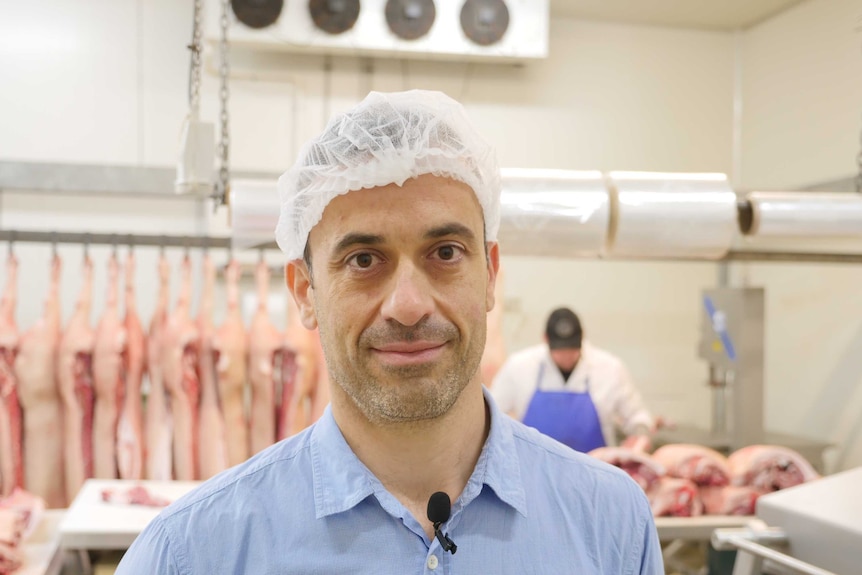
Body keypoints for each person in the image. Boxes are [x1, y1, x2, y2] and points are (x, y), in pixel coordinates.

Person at [116, 90, 663, 573]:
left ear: (491, 274)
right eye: (362, 259)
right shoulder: (192, 553)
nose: (408, 306)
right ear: (305, 291)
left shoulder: (610, 525)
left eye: (445, 253)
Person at [491, 306, 658, 453]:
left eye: (573, 349)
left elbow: (637, 415)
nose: (567, 356)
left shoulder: (610, 368)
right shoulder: (519, 366)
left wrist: (640, 434)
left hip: (595, 473)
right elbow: (491, 413)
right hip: (532, 472)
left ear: (582, 338)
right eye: (560, 350)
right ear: (546, 339)